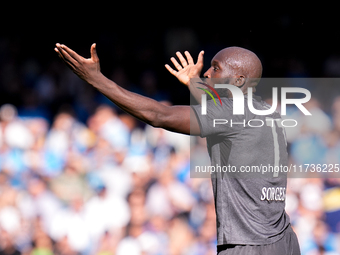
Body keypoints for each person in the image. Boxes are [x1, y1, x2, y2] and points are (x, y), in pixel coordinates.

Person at [54, 43, 301, 254]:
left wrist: (96, 79)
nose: (206, 72)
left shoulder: (232, 115)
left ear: (238, 81)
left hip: (248, 245)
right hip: (283, 241)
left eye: (216, 68)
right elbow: (222, 110)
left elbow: (158, 115)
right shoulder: (267, 113)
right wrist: (194, 83)